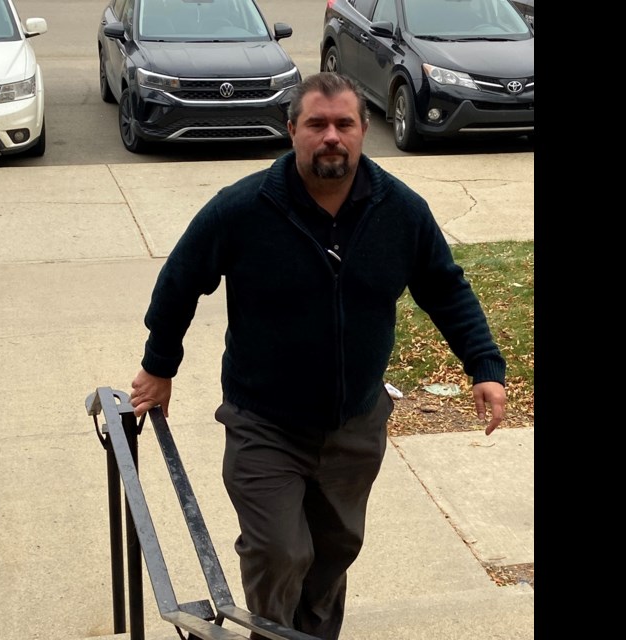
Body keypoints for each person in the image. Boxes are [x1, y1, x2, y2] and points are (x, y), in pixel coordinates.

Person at [130, 72, 506, 640]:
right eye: (316, 124)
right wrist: (159, 367)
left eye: (344, 124)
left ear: (362, 132)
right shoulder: (243, 208)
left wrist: (484, 366)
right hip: (264, 424)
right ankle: (271, 634)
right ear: (292, 131)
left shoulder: (400, 211)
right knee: (278, 551)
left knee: (333, 554)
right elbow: (180, 282)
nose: (331, 136)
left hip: (355, 425)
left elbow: (446, 288)